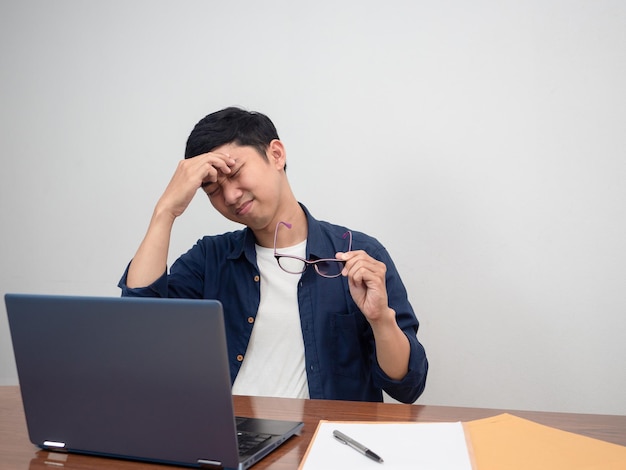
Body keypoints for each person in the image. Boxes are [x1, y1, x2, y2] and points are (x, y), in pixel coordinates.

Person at [118, 107, 428, 403]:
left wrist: (380, 320)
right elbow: (139, 331)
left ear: (276, 154)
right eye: (212, 189)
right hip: (231, 440)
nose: (229, 195)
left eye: (235, 172)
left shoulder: (357, 254)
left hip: (322, 443)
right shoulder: (210, 258)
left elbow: (408, 386)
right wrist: (166, 210)